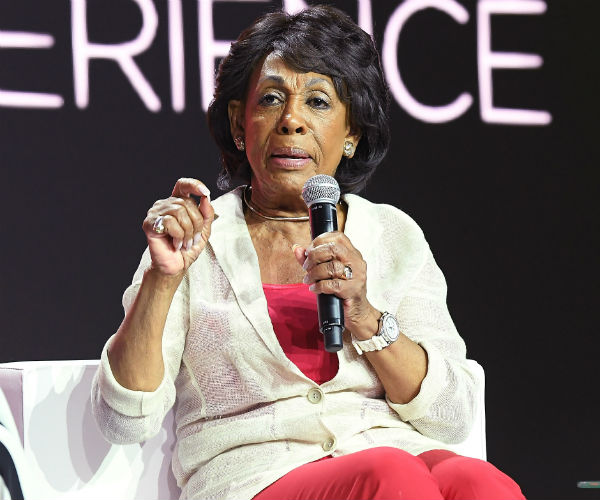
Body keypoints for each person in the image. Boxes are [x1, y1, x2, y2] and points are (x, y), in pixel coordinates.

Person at [91, 5, 525, 500]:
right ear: (239, 122)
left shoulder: (393, 235)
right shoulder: (194, 239)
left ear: (352, 134)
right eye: (271, 99)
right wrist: (162, 279)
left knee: (480, 483)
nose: (292, 121)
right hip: (256, 477)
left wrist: (365, 316)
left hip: (393, 453)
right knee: (389, 477)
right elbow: (123, 421)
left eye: (317, 102)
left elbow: (453, 415)